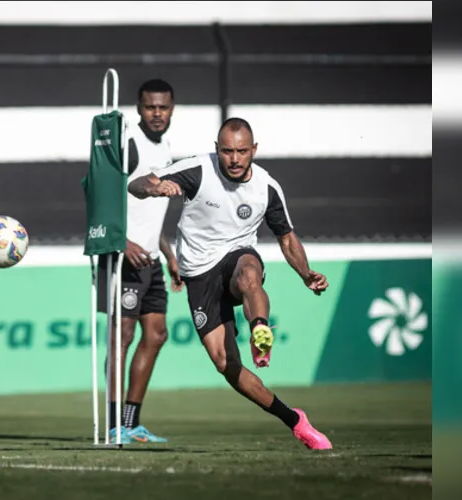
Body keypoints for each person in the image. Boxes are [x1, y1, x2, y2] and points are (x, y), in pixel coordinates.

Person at [126, 117, 333, 450]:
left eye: (241, 151)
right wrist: (153, 188)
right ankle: (296, 421)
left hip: (237, 257)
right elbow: (134, 184)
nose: (234, 159)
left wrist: (306, 273)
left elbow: (287, 237)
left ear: (253, 150)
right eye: (226, 151)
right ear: (216, 150)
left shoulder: (266, 187)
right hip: (199, 275)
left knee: (249, 272)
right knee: (226, 365)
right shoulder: (196, 170)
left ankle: (259, 329)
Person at [98, 79, 183, 444]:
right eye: (150, 107)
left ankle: (131, 422)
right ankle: (114, 423)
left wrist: (168, 252)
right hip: (122, 256)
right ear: (138, 108)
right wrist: (123, 242)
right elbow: (106, 195)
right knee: (124, 335)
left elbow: (150, 211)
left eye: (163, 107)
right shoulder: (126, 142)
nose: (157, 113)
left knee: (157, 334)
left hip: (151, 257)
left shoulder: (165, 145)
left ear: (173, 108)